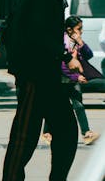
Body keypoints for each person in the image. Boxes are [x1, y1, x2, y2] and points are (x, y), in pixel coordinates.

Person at [0, 0, 81, 181]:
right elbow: (38, 34)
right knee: (25, 132)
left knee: (66, 129)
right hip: (34, 73)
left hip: (45, 73)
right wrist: (67, 56)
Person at [42, 17, 100, 146]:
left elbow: (89, 55)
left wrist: (80, 41)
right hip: (60, 80)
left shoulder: (74, 42)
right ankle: (47, 132)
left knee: (78, 105)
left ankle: (86, 133)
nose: (81, 31)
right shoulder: (63, 42)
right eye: (79, 29)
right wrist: (76, 77)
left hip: (72, 81)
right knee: (54, 105)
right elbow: (62, 65)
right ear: (69, 29)